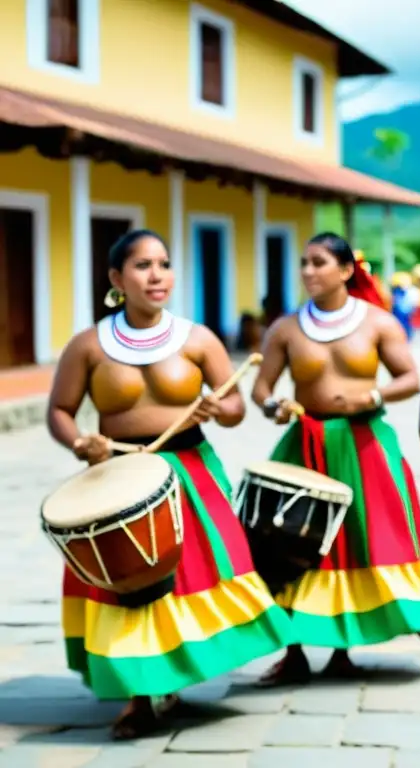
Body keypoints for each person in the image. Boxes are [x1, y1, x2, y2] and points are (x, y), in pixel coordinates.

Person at [45, 229, 293, 740]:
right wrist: (78, 443)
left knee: (184, 584)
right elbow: (59, 411)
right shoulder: (89, 345)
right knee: (130, 587)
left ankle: (172, 676)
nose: (155, 275)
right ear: (116, 279)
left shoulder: (198, 339)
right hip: (117, 475)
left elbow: (234, 409)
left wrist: (214, 407)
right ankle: (138, 697)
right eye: (141, 266)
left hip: (191, 474)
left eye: (163, 264)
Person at [251, 232, 420, 684]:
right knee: (293, 546)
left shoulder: (377, 322)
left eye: (319, 262)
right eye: (304, 263)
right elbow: (261, 387)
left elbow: (410, 378)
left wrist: (368, 396)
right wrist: (273, 407)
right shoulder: (287, 328)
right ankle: (294, 653)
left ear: (347, 270)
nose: (309, 271)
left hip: (366, 443)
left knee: (384, 540)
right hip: (306, 443)